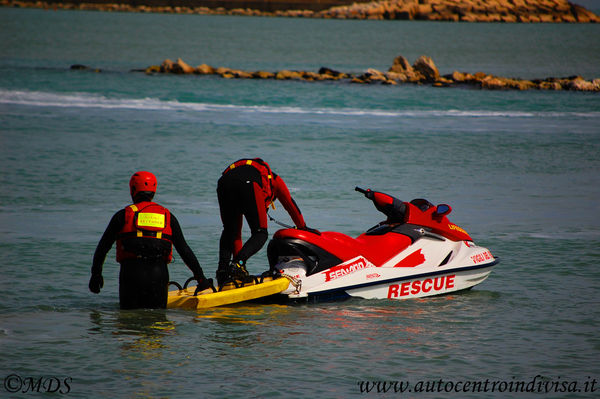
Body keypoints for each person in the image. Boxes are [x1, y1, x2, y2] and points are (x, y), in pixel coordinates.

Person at [89, 171, 212, 309]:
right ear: (153, 191)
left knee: (129, 322)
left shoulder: (123, 215)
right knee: (157, 322)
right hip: (158, 276)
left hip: (131, 275)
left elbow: (102, 248)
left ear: (133, 189)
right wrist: (201, 279)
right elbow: (184, 250)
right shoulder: (168, 216)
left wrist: (96, 275)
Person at [216, 158, 317, 285]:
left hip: (224, 183)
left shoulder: (256, 174)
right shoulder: (275, 180)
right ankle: (238, 264)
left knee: (230, 231)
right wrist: (303, 227)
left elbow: (237, 236)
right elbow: (290, 204)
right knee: (260, 233)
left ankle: (223, 272)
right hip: (248, 184)